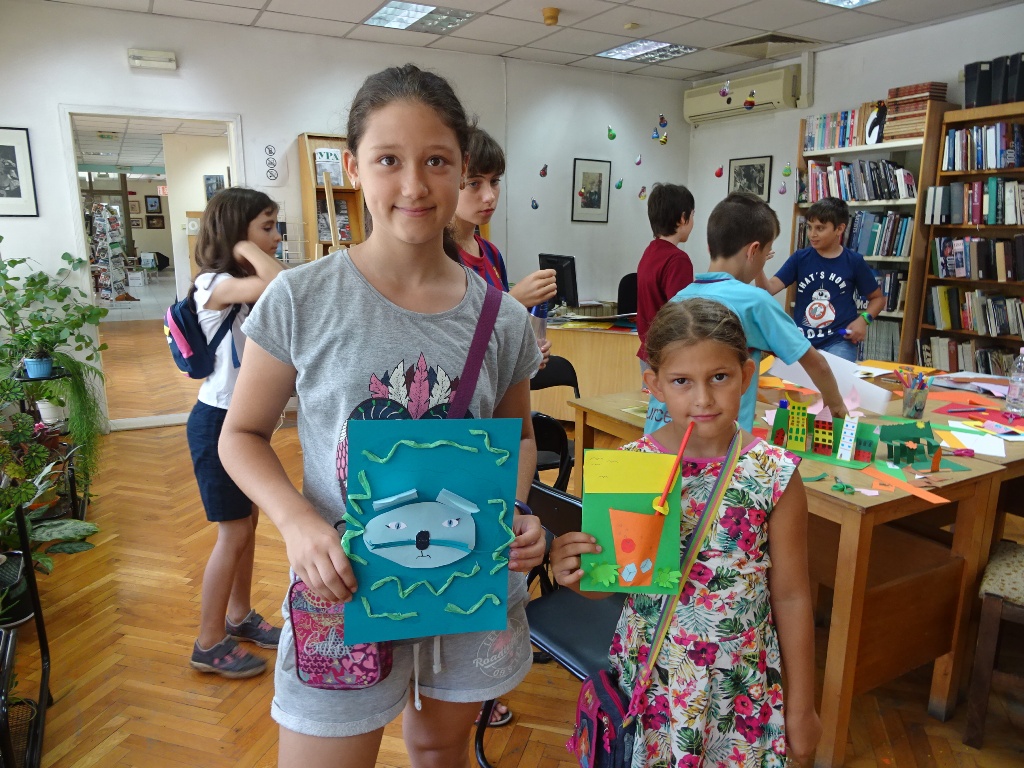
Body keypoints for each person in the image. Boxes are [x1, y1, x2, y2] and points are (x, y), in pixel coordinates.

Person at [218, 64, 546, 768]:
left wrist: (516, 510)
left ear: (462, 166)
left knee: (439, 749)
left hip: (466, 585)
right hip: (343, 587)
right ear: (353, 167)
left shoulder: (503, 318)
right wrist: (297, 522)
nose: (414, 185)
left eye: (437, 161)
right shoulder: (301, 298)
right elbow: (240, 435)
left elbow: (519, 439)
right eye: (388, 160)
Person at [550, 298, 822, 766]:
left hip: (739, 684)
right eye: (682, 381)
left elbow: (793, 596)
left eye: (719, 377)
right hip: (655, 677)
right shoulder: (631, 468)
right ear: (654, 384)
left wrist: (802, 707)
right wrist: (575, 575)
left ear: (747, 374)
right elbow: (611, 582)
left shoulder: (774, 473)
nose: (703, 399)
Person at [644, 191, 848, 435]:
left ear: (710, 247)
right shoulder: (755, 302)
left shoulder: (679, 298)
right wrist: (836, 406)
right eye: (766, 254)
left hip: (658, 436)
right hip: (713, 443)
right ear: (753, 251)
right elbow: (817, 364)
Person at [187, 187, 285, 678]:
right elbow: (281, 283)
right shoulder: (213, 283)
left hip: (245, 424)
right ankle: (208, 642)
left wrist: (250, 242)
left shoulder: (238, 284)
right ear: (236, 232)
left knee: (248, 525)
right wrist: (245, 246)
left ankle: (239, 615)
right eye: (267, 226)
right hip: (216, 425)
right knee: (233, 532)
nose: (276, 236)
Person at [452, 126, 556, 371]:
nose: (489, 196)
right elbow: (451, 342)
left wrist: (528, 351)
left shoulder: (491, 253)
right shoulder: (440, 257)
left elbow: (499, 337)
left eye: (495, 181)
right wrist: (513, 301)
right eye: (474, 183)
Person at [756, 196, 884, 363]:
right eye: (809, 227)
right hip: (802, 342)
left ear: (839, 229)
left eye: (820, 228)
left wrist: (864, 320)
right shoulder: (800, 258)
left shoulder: (854, 261)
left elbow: (878, 299)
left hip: (838, 342)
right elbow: (768, 290)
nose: (812, 234)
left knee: (834, 377)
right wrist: (758, 265)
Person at [636, 182, 695, 377]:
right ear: (683, 218)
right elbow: (682, 314)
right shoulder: (678, 259)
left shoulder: (650, 251)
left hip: (648, 351)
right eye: (693, 215)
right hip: (669, 356)